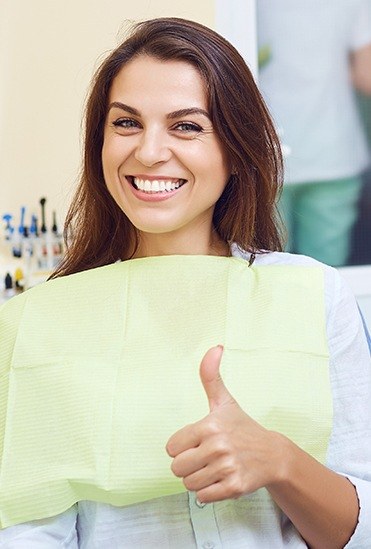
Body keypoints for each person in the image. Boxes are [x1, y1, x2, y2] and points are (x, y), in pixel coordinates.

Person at [0, 17, 370, 549]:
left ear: (236, 150)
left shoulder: (314, 297)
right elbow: (25, 529)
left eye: (186, 126)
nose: (149, 152)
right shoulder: (37, 323)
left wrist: (280, 461)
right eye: (126, 123)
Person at [257, 0, 371, 267]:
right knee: (327, 275)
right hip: (332, 151)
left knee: (270, 270)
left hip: (265, 152)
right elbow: (365, 73)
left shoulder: (248, 7)